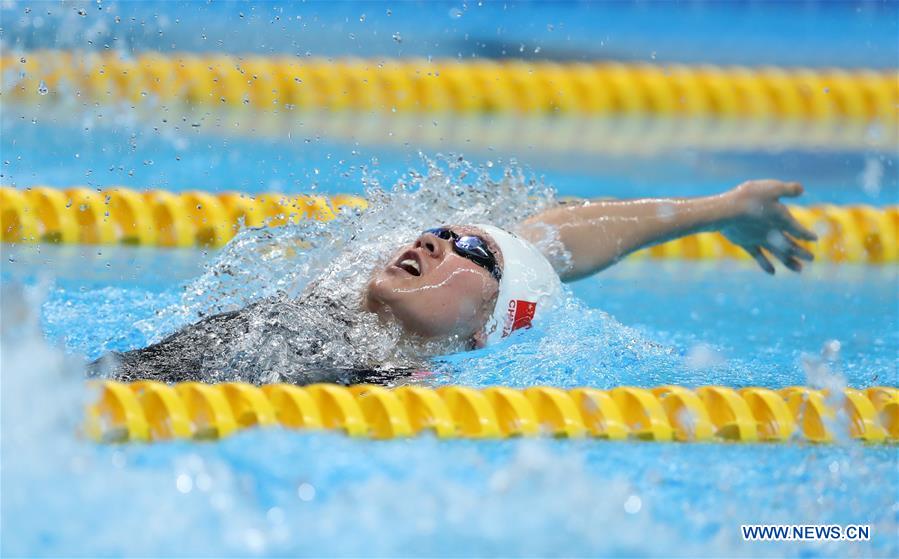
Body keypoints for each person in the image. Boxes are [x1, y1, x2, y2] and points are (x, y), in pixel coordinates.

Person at [94, 179, 816, 384]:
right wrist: (715, 209)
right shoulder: (326, 312)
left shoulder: (395, 385)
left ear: (486, 325)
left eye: (465, 248)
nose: (433, 239)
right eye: (435, 231)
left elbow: (536, 254)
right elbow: (552, 237)